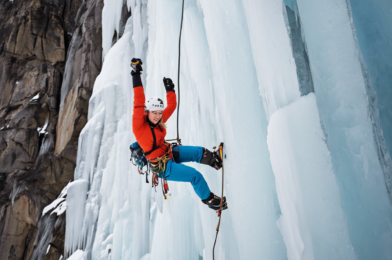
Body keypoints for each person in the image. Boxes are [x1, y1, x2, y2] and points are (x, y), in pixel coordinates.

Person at [131, 58, 227, 211]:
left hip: (168, 153)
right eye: (154, 113)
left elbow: (172, 105)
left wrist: (170, 90)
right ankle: (210, 201)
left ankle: (215, 160)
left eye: (159, 113)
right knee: (194, 176)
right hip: (162, 167)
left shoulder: (159, 120)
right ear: (146, 112)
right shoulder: (139, 127)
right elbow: (139, 100)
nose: (157, 116)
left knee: (199, 152)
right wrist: (136, 74)